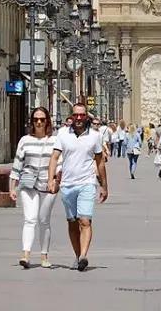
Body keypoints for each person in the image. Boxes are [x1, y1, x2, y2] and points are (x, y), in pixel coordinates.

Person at [48, 102, 108, 272]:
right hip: (67, 184)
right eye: (76, 115)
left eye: (82, 115)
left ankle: (83, 256)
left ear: (87, 117)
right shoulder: (62, 134)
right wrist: (51, 179)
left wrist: (104, 186)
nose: (79, 118)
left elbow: (100, 162)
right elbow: (54, 157)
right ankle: (77, 255)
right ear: (72, 116)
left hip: (87, 183)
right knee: (72, 222)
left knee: (85, 220)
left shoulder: (95, 136)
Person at [9, 107, 57, 269]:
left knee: (44, 221)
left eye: (42, 119)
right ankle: (26, 255)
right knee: (30, 219)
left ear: (47, 121)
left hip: (48, 185)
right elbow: (17, 164)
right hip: (28, 184)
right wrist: (12, 187)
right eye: (36, 119)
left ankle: (44, 256)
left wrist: (56, 181)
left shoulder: (54, 141)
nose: (38, 122)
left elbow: (59, 164)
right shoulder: (25, 140)